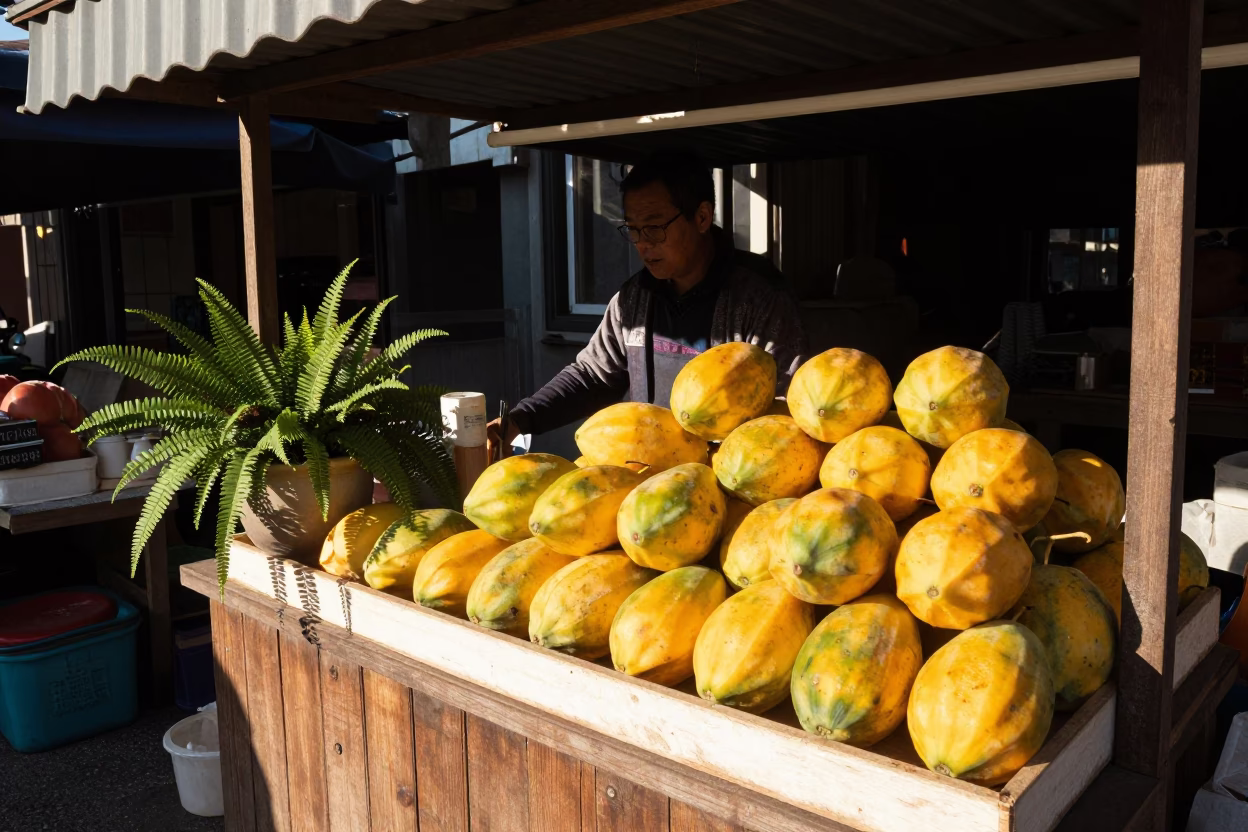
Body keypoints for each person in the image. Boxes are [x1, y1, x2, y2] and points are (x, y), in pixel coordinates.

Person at [488, 151, 808, 458]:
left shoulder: (758, 297)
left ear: (701, 217)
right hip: (650, 475)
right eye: (633, 229)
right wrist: (519, 420)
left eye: (654, 227)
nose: (642, 243)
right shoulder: (634, 299)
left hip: (728, 483)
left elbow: (783, 401)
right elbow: (593, 375)